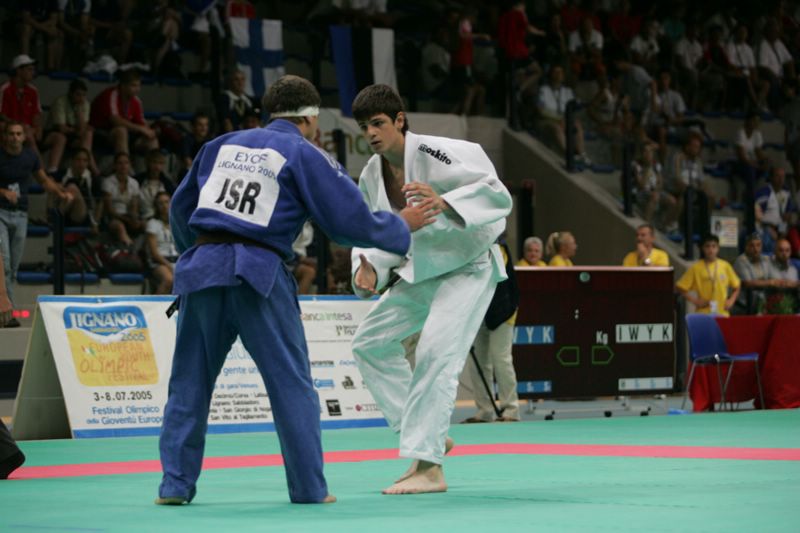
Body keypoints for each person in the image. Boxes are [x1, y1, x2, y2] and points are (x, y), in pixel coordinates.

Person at [157, 75, 431, 506]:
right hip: (258, 275)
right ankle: (308, 489)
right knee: (291, 386)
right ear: (310, 118)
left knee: (188, 383)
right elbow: (347, 222)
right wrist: (400, 225)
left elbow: (180, 208)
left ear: (271, 112)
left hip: (202, 270)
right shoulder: (304, 152)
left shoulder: (219, 145)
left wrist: (201, 255)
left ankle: (174, 486)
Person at [349, 84, 512, 495]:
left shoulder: (438, 151)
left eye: (378, 123)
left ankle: (430, 468)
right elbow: (374, 230)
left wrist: (447, 201)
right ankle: (425, 434)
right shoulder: (371, 174)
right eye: (364, 126)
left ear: (399, 120)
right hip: (421, 269)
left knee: (437, 352)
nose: (371, 133)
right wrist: (367, 267)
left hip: (468, 267)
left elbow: (497, 194)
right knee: (370, 343)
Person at [0, 121, 71, 320]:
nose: (15, 138)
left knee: (13, 267)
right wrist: (3, 192)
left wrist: (61, 193)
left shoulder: (30, 156)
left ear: (24, 137)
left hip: (21, 214)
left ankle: (6, 310)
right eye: (11, 134)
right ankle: (8, 313)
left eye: (18, 134)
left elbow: (43, 180)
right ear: (5, 137)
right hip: (1, 213)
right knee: (4, 263)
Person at [463, 240, 520, 423]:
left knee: (501, 359)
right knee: (479, 362)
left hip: (504, 309)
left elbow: (491, 276)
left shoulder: (498, 247)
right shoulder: (467, 246)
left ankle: (511, 409)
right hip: (479, 310)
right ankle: (485, 411)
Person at [89, 69, 159, 155]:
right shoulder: (111, 94)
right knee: (121, 131)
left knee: (152, 139)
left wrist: (150, 131)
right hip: (100, 133)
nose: (137, 89)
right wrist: (140, 129)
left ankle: (155, 163)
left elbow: (141, 122)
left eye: (139, 86)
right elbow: (115, 120)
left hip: (125, 134)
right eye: (133, 85)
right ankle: (124, 163)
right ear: (123, 86)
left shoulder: (136, 101)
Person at [676, 234, 741, 316]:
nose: (711, 249)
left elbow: (737, 285)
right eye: (707, 246)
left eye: (714, 246)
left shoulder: (725, 265)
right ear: (702, 248)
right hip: (703, 312)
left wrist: (731, 300)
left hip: (722, 312)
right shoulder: (696, 267)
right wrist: (695, 301)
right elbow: (680, 287)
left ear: (718, 248)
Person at [733, 232, 779, 314]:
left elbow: (775, 277)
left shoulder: (766, 259)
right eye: (752, 245)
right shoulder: (741, 261)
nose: (756, 249)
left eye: (758, 245)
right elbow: (748, 283)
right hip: (742, 307)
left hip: (761, 306)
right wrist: (770, 282)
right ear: (746, 247)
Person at [145, 191, 177, 294]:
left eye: (167, 202)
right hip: (159, 262)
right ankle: (156, 305)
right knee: (169, 280)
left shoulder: (176, 223)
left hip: (177, 260)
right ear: (156, 207)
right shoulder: (152, 224)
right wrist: (169, 266)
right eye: (161, 203)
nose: (164, 206)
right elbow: (154, 253)